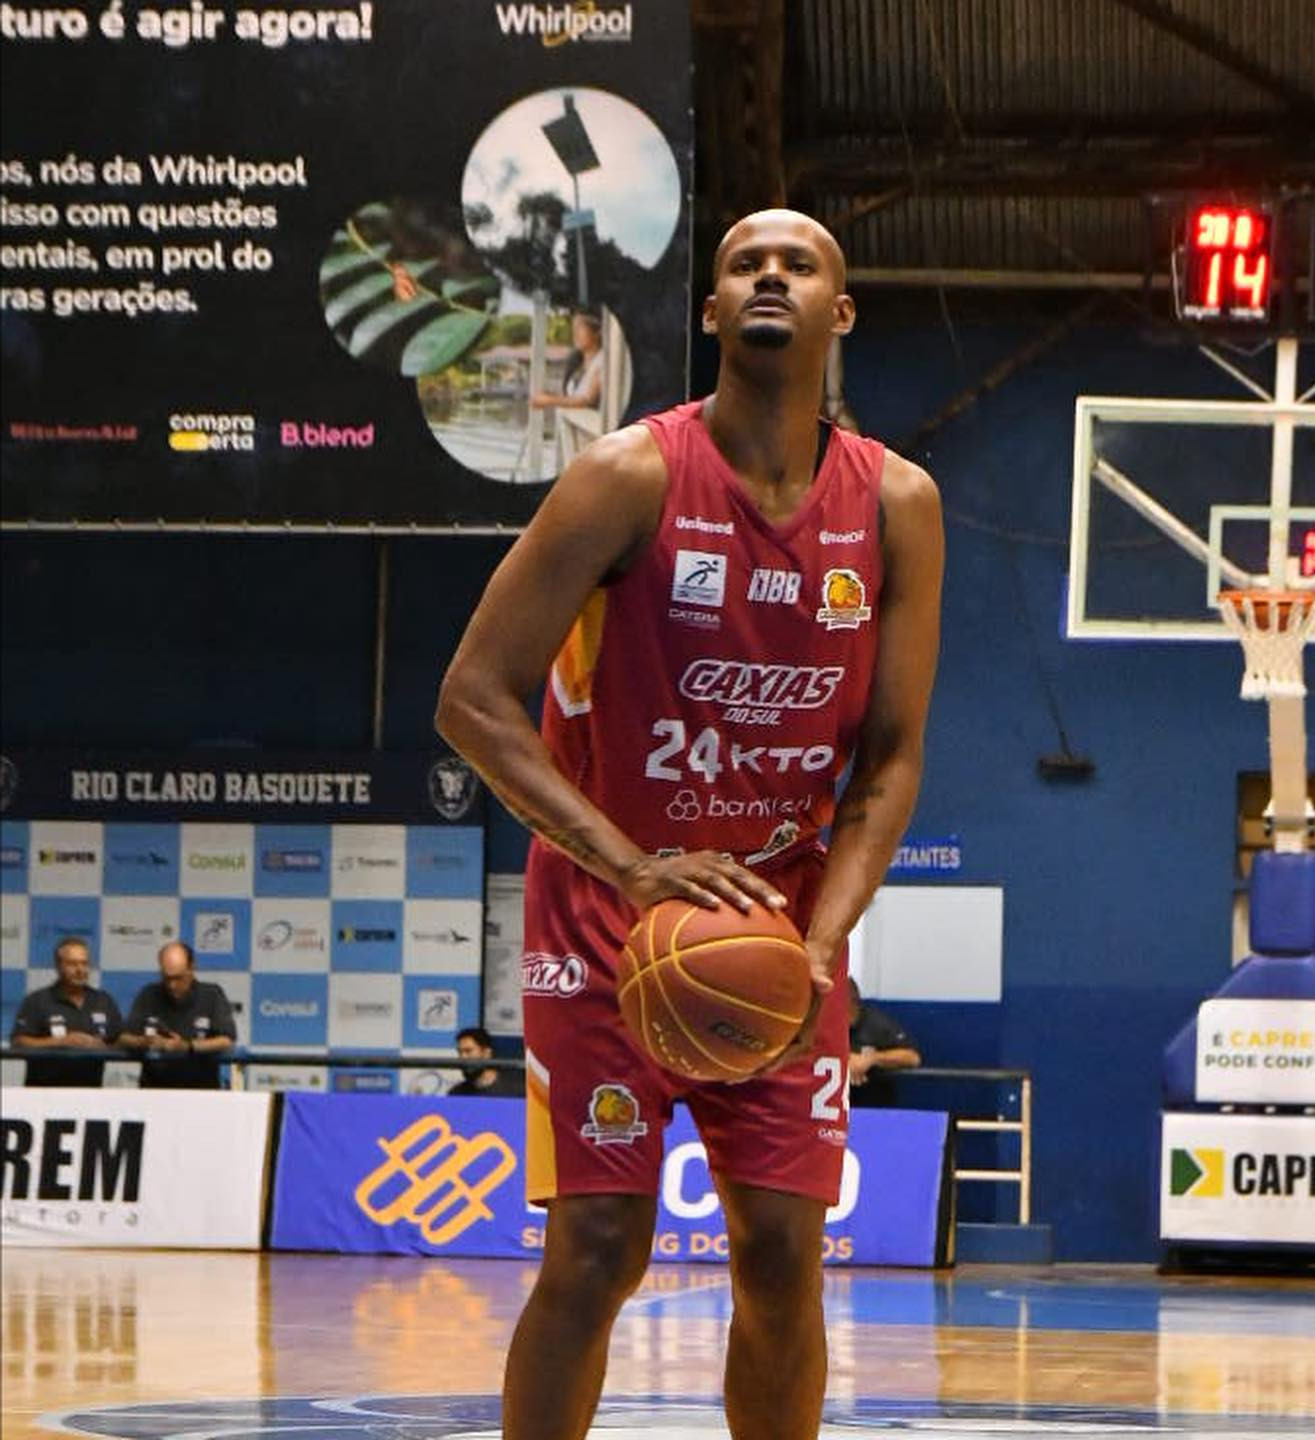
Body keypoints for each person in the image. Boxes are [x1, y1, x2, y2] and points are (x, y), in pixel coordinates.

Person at [437, 208, 943, 1440]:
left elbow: (889, 762)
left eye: (799, 263)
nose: (770, 274)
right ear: (711, 311)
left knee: (782, 1254)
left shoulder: (897, 504)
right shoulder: (628, 477)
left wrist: (818, 946)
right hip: (600, 913)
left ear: (840, 311)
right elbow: (472, 700)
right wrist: (631, 867)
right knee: (597, 1245)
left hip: (779, 925)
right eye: (743, 264)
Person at [118, 940, 236, 1089]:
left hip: (200, 1090)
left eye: (178, 978)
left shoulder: (212, 995)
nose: (172, 985)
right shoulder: (149, 994)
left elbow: (227, 1040)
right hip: (155, 1090)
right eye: (166, 978)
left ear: (192, 969)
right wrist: (144, 1042)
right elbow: (123, 1037)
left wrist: (187, 1046)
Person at [9, 936, 122, 1087]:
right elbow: (18, 1042)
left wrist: (101, 1046)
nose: (80, 970)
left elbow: (120, 1040)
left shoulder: (103, 1000)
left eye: (84, 963)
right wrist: (62, 1041)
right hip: (44, 1091)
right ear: (58, 966)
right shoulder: (37, 1000)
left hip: (91, 1092)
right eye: (72, 964)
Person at [847, 978, 922, 1108]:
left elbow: (912, 1058)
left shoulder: (877, 1024)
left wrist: (870, 1059)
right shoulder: (822, 1025)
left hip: (875, 1106)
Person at [530, 310, 603, 414]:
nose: (575, 334)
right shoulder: (577, 363)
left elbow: (587, 400)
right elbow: (573, 397)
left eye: (580, 328)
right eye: (574, 328)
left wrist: (549, 400)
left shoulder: (602, 361)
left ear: (597, 332)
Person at [450, 1024, 526, 1098]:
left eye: (468, 1051)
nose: (463, 1057)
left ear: (487, 1053)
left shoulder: (516, 1090)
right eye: (460, 1052)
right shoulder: (456, 1094)